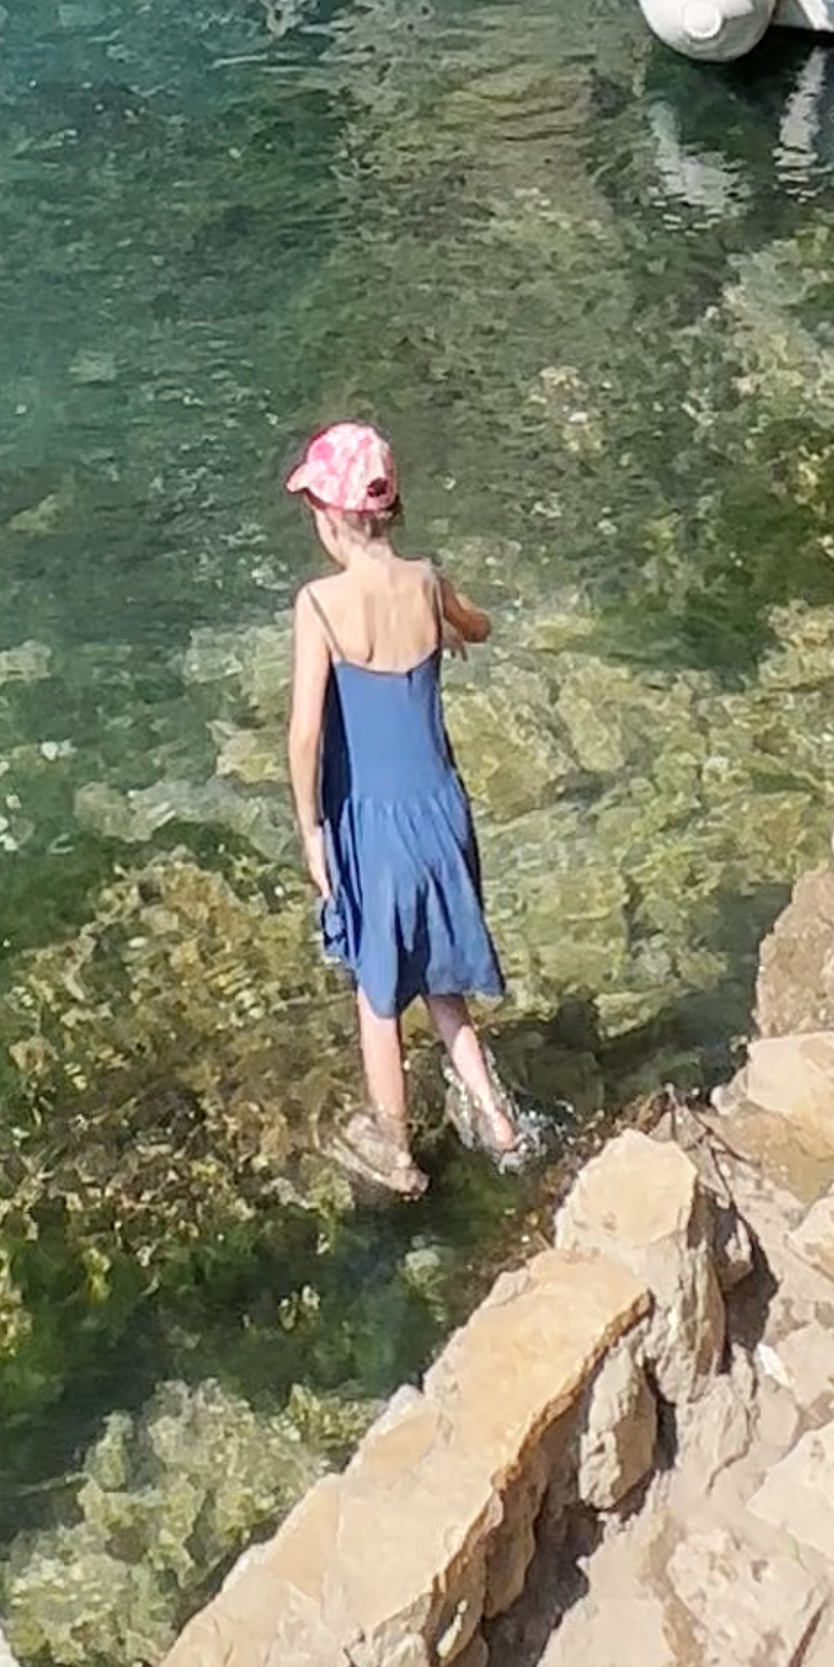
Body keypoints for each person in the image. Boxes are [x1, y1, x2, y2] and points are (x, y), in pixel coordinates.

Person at [282, 415, 539, 1197]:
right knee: (443, 981)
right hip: (441, 813)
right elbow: (481, 626)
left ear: (331, 520)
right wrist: (449, 633)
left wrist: (311, 829)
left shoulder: (319, 604)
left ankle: (395, 1150)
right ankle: (499, 1122)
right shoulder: (426, 583)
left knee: (377, 992)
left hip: (374, 823)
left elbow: (303, 736)